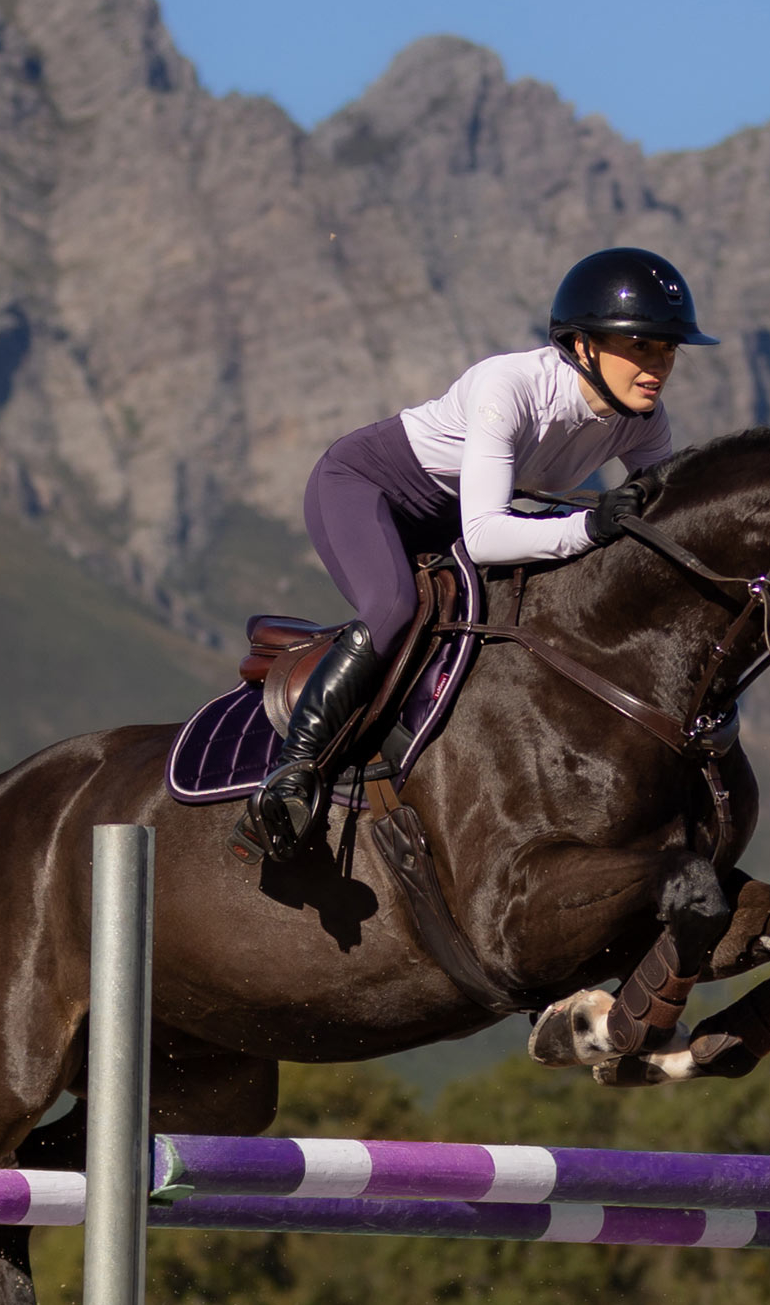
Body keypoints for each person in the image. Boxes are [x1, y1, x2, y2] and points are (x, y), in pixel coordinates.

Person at [233, 246, 720, 863]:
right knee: (392, 607)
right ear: (582, 345)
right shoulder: (509, 386)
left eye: (668, 349)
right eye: (641, 346)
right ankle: (290, 777)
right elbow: (488, 534)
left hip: (455, 516)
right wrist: (588, 524)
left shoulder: (644, 421)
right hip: (366, 489)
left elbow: (662, 519)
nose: (658, 366)